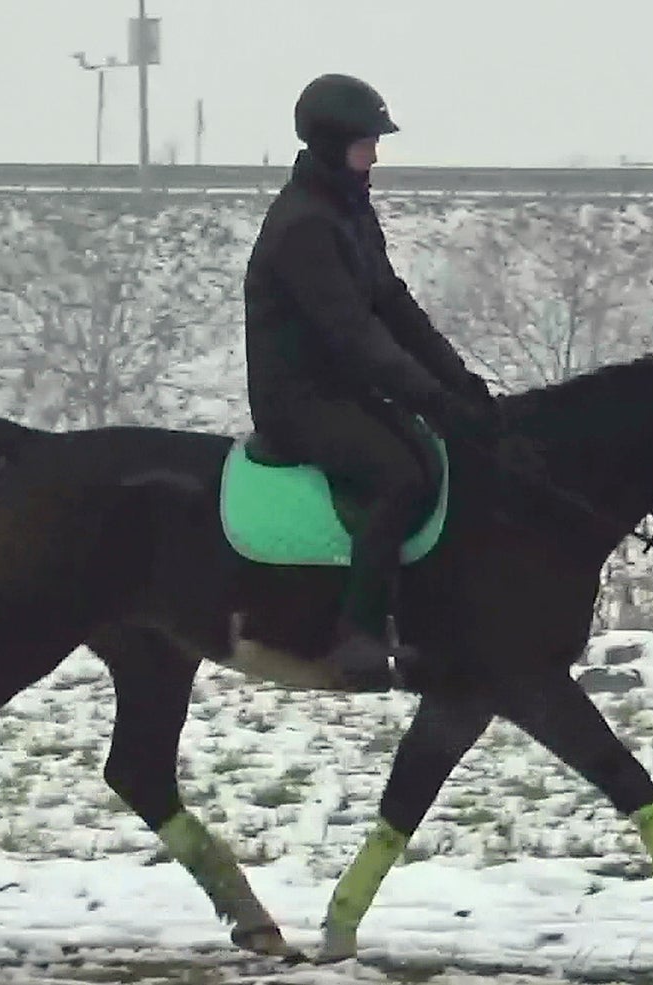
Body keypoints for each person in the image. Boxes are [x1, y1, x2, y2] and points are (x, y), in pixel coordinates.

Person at [242, 73, 502, 690]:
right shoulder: (305, 224)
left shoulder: (348, 209)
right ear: (334, 145)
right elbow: (355, 334)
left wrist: (459, 383)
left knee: (437, 462)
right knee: (400, 477)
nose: (376, 153)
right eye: (366, 143)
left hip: (343, 391)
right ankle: (355, 634)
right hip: (297, 401)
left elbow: (392, 305)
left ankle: (416, 622)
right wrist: (432, 399)